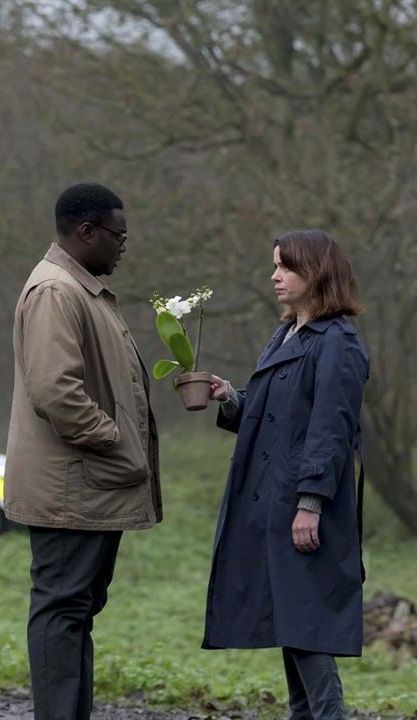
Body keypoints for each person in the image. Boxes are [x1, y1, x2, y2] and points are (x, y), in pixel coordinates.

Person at [4, 183, 160, 720]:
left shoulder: (78, 288)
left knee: (74, 613)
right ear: (86, 231)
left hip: (84, 485)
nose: (123, 246)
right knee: (62, 611)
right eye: (118, 235)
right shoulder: (56, 291)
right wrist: (112, 437)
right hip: (71, 488)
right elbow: (55, 390)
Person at [205, 230, 367, 720]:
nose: (275, 276)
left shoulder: (338, 343)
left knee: (307, 624)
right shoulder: (288, 333)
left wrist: (310, 504)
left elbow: (329, 431)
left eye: (286, 267)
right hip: (272, 501)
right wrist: (232, 399)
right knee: (290, 623)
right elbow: (278, 416)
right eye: (275, 265)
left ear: (315, 272)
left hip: (303, 505)